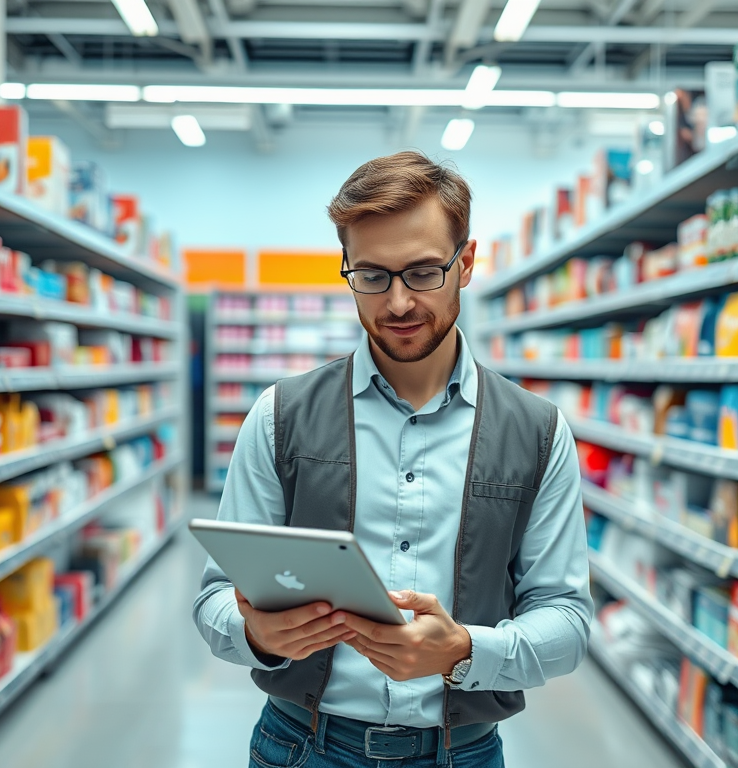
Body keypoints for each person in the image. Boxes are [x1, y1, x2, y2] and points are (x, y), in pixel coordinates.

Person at [193, 151, 593, 768]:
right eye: (373, 276)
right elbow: (217, 597)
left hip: (462, 751)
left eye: (424, 272)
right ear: (348, 271)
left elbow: (566, 620)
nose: (399, 303)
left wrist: (463, 650)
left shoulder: (536, 432)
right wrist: (256, 635)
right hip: (302, 746)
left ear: (466, 263)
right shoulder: (279, 417)